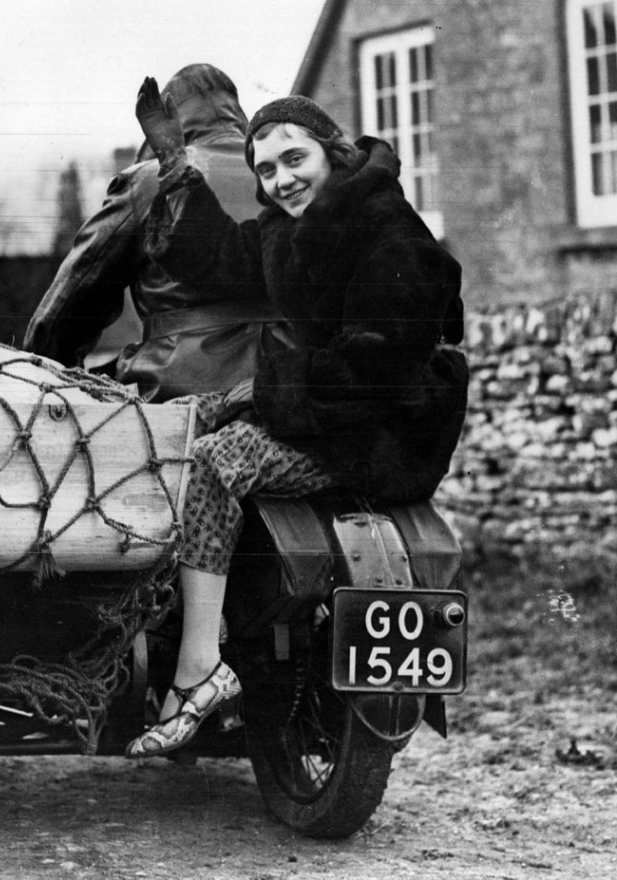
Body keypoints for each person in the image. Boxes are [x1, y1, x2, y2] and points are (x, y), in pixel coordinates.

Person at [123, 82, 469, 758]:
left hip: (383, 431)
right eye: (267, 169)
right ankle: (211, 628)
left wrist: (271, 390)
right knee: (192, 419)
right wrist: (175, 171)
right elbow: (222, 257)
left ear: (331, 152)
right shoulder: (295, 229)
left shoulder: (386, 226)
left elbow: (383, 363)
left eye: (294, 159)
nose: (281, 180)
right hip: (338, 413)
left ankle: (199, 669)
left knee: (216, 463)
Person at [24, 64, 289, 403]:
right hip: (290, 383)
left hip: (180, 388)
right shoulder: (287, 176)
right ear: (237, 113)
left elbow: (74, 297)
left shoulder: (147, 181)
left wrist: (38, 371)